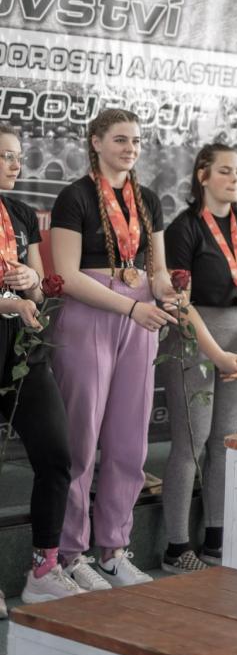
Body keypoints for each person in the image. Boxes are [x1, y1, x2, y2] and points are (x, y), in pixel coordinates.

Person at [48, 107, 182, 590]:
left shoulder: (148, 200)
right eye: (120, 139)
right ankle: (69, 554)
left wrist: (167, 292)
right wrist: (130, 307)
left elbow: (157, 269)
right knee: (80, 441)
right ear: (96, 142)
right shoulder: (74, 196)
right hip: (92, 314)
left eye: (136, 141)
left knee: (130, 441)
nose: (130, 148)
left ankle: (113, 550)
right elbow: (65, 276)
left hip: (140, 314)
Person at [161, 143, 237, 573]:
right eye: (225, 170)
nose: (235, 178)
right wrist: (218, 355)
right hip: (196, 342)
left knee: (225, 441)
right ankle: (176, 547)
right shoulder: (184, 229)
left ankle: (215, 539)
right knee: (191, 442)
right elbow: (180, 304)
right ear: (202, 176)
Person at [0, 125, 81, 614]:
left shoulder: (22, 213)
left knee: (56, 454)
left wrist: (31, 280)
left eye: (18, 156)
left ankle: (43, 571)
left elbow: (40, 288)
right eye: (6, 156)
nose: (16, 164)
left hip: (24, 350)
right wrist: (5, 301)